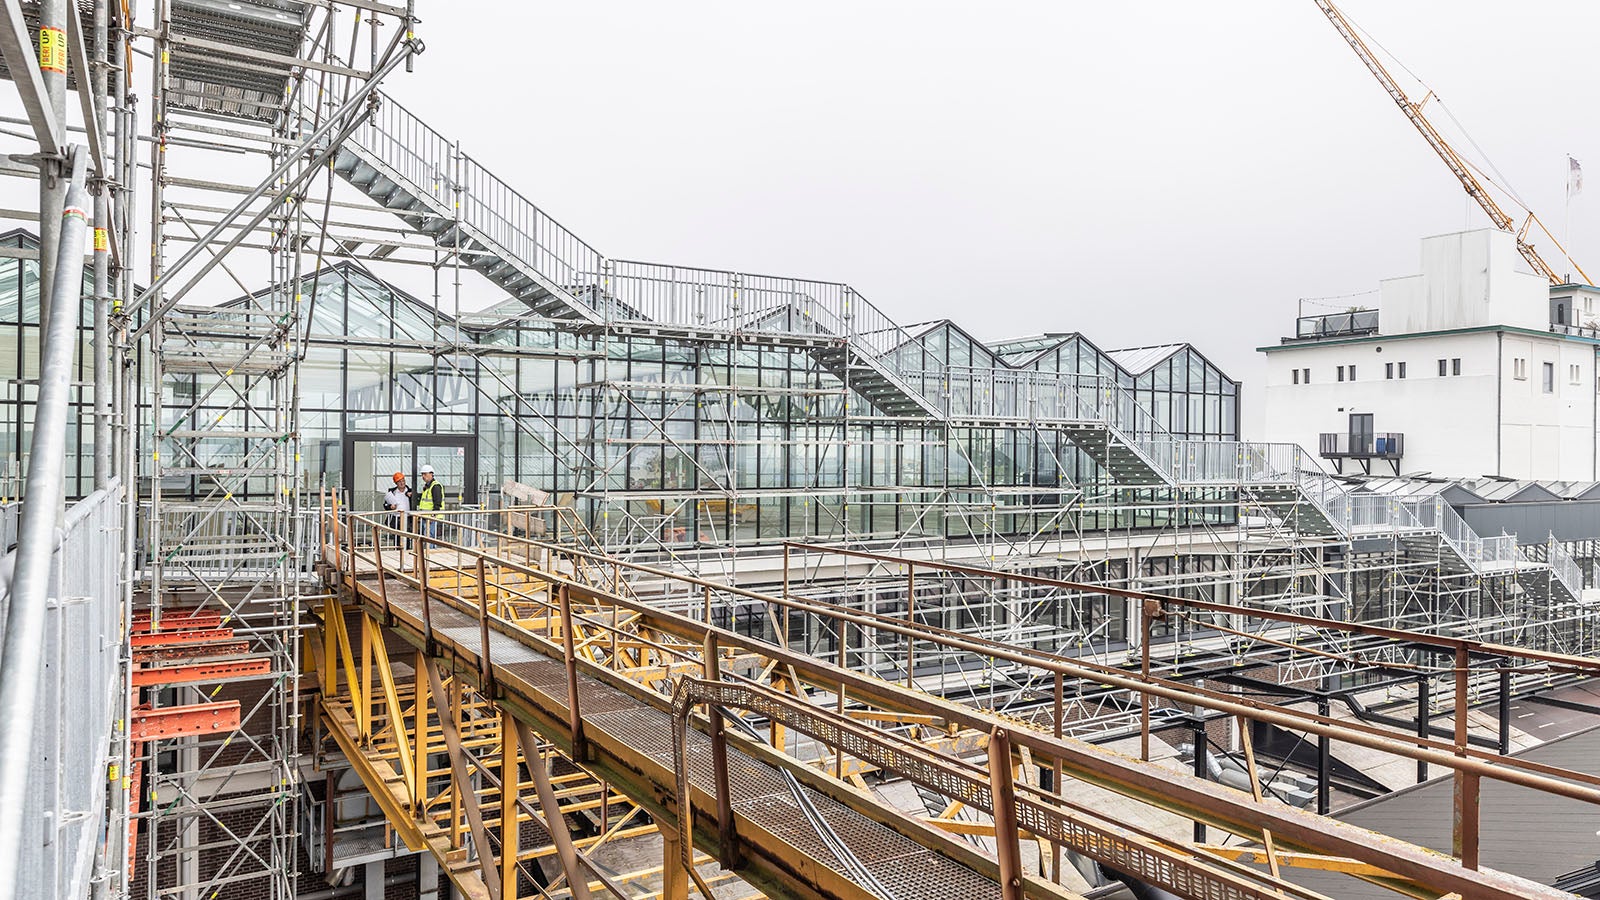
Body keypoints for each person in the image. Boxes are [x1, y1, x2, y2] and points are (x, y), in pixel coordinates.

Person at [415, 464, 445, 538]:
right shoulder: (428, 487)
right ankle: (429, 550)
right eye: (422, 474)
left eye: (425, 474)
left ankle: (430, 550)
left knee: (430, 537)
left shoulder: (435, 486)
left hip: (431, 518)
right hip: (426, 517)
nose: (423, 476)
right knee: (428, 537)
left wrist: (433, 516)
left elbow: (437, 503)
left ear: (431, 474)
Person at [382, 472, 412, 546]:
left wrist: (411, 495)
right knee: (397, 537)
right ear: (396, 483)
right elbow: (385, 505)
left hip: (407, 517)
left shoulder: (410, 491)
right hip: (396, 518)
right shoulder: (392, 492)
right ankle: (397, 551)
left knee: (407, 536)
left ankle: (406, 551)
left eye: (403, 481)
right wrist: (390, 507)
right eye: (399, 482)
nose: (402, 483)